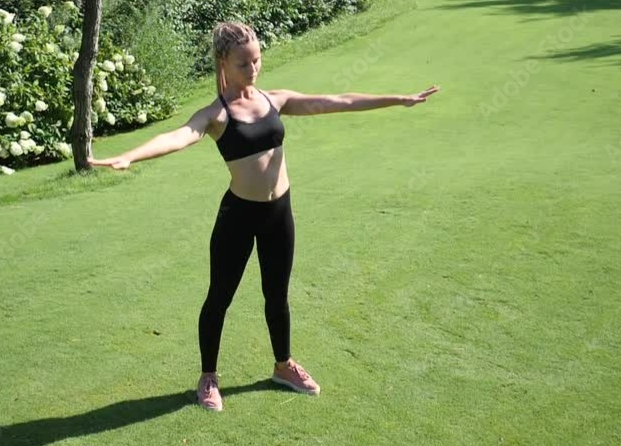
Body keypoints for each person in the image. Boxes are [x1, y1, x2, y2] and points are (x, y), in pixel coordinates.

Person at [87, 21, 440, 412]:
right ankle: (208, 377)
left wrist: (398, 99)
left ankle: (283, 365)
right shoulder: (217, 115)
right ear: (224, 62)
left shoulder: (276, 99)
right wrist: (130, 155)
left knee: (277, 295)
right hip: (239, 216)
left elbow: (338, 100)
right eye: (243, 63)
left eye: (256, 59)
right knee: (219, 297)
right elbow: (179, 136)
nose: (253, 68)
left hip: (279, 212)